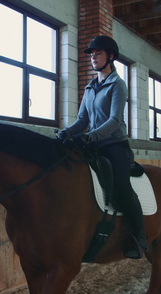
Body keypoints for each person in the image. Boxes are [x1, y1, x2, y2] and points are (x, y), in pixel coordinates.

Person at [57, 35, 148, 252]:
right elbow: (82, 120)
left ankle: (140, 236)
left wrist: (91, 136)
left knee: (122, 190)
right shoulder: (90, 88)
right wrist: (66, 133)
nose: (93, 58)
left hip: (114, 145)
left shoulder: (118, 85)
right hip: (94, 143)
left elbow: (114, 120)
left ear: (111, 56)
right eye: (92, 54)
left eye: (98, 53)